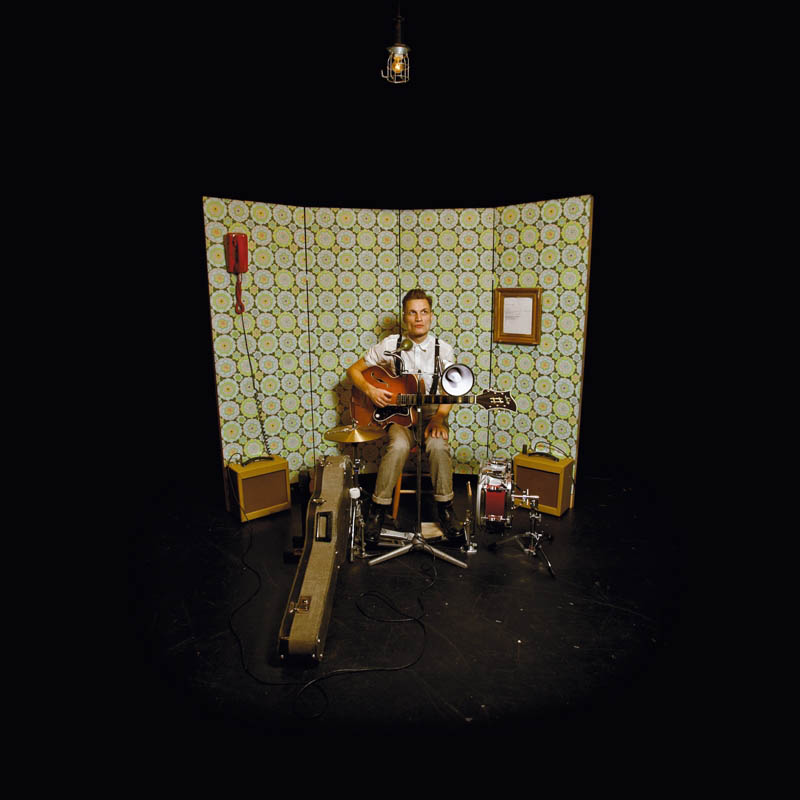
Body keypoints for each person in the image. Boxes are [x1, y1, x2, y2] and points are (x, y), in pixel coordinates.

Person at [346, 288, 465, 547]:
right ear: (404, 317)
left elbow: (450, 391)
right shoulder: (391, 345)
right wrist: (370, 390)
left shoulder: (443, 350)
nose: (418, 318)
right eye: (412, 313)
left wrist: (440, 418)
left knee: (438, 445)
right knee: (398, 445)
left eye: (424, 312)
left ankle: (445, 509)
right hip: (399, 417)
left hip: (431, 414)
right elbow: (353, 371)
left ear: (431, 316)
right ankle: (377, 511)